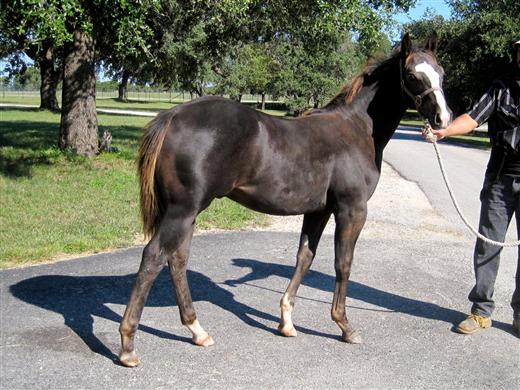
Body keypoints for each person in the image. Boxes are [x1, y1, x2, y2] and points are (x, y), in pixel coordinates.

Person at [427, 38, 520, 336]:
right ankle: (481, 311)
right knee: (488, 245)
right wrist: (445, 131)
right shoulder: (500, 88)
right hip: (500, 180)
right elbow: (473, 118)